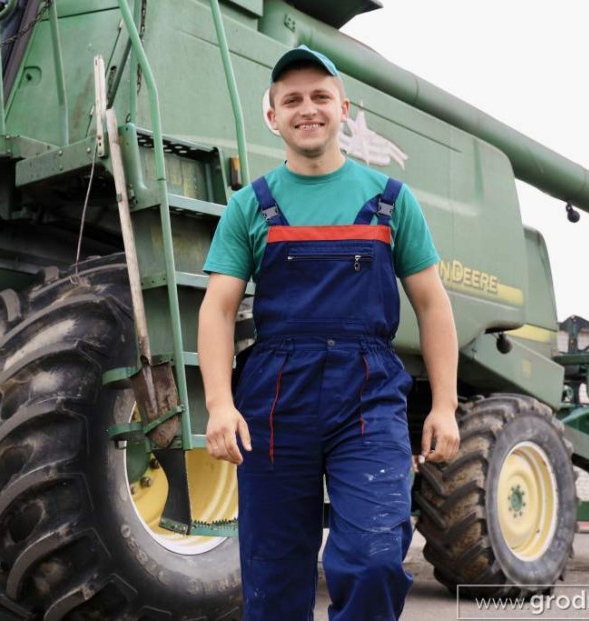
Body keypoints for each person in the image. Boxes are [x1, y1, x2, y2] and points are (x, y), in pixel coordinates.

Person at [197, 45, 460, 620]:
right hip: (274, 400)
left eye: (320, 96)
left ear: (344, 109)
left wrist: (445, 405)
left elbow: (433, 305)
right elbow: (217, 310)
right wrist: (219, 404)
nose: (307, 109)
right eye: (292, 100)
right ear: (273, 117)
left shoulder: (391, 201)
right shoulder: (249, 206)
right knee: (272, 575)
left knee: (373, 559)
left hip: (368, 396)